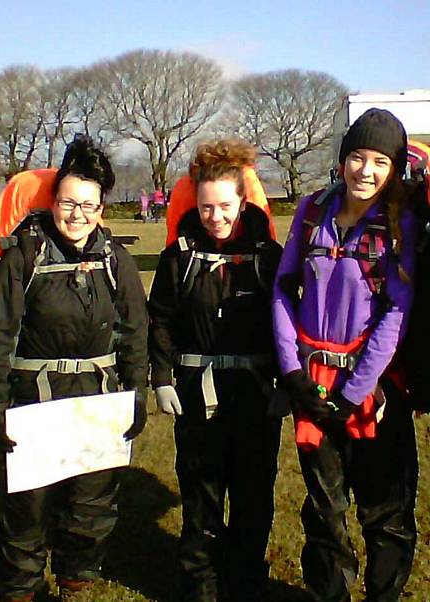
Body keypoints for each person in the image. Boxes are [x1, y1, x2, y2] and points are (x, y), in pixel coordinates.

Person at [0, 135, 149, 602]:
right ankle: (19, 588)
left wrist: (137, 397)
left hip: (99, 398)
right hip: (35, 400)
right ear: (54, 201)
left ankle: (76, 580)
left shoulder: (117, 261)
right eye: (69, 202)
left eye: (89, 205)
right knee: (27, 510)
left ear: (101, 207)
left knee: (90, 507)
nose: (77, 214)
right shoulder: (22, 257)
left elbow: (135, 334)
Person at [273, 109, 417, 601]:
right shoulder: (313, 212)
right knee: (323, 510)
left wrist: (356, 390)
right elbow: (282, 289)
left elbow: (397, 309)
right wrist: (292, 372)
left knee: (385, 513)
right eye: (357, 157)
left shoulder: (399, 227)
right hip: (312, 385)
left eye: (380, 161)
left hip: (373, 392)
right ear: (342, 161)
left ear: (394, 169)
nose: (366, 171)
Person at [149, 139, 283, 601]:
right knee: (201, 499)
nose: (216, 217)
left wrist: (286, 383)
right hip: (197, 395)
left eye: (225, 206)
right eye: (207, 207)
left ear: (243, 202)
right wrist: (162, 379)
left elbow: (287, 322)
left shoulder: (269, 256)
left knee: (253, 498)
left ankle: (245, 582)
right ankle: (200, 588)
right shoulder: (180, 257)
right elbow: (161, 319)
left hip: (254, 396)